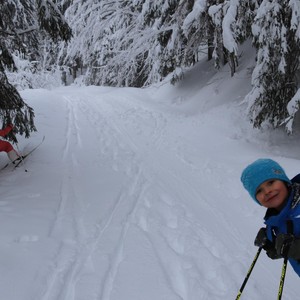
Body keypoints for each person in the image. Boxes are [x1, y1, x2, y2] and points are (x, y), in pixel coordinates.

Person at [241, 158, 300, 277]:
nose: (267, 191)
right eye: (259, 191)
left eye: (271, 182)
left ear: (284, 181)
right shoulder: (274, 222)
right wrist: (272, 244)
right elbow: (286, 250)